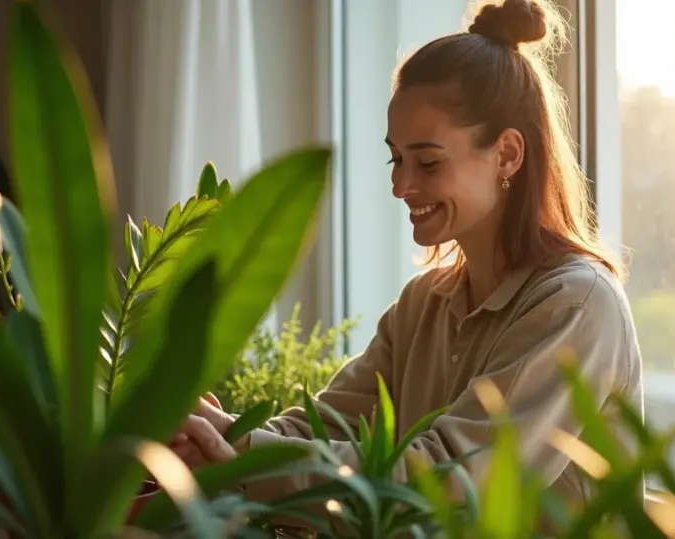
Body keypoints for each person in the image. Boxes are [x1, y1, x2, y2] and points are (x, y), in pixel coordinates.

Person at [171, 0, 643, 507]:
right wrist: (218, 432)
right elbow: (327, 425)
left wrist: (237, 448)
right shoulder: (423, 303)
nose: (401, 185)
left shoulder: (575, 306)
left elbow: (448, 479)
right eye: (396, 158)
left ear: (507, 153)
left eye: (428, 162)